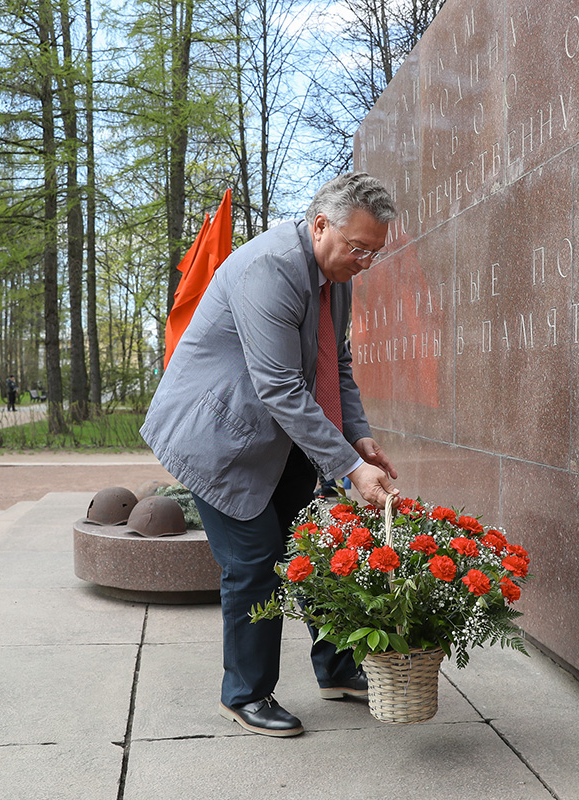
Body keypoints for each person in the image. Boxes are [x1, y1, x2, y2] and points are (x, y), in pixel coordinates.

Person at [141, 172, 400, 738]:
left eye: (373, 254)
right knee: (256, 562)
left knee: (311, 549)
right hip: (219, 438)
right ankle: (246, 694)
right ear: (320, 224)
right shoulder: (271, 267)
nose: (363, 262)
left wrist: (357, 437)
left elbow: (336, 366)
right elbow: (281, 385)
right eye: (358, 248)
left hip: (279, 440)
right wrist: (351, 469)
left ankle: (336, 669)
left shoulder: (338, 271)